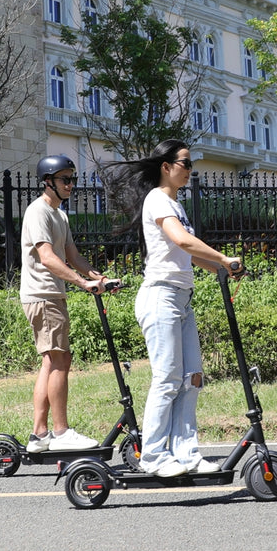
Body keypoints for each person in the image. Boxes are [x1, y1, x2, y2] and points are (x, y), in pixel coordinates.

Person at [101, 140, 242, 477]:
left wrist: (220, 269)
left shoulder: (176, 205)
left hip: (181, 297)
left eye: (191, 165)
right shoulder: (157, 200)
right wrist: (222, 256)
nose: (190, 170)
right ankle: (152, 456)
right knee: (167, 379)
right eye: (185, 164)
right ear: (166, 166)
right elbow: (180, 239)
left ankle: (186, 453)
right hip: (160, 297)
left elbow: (186, 254)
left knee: (192, 377)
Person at [20, 154, 116, 452]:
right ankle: (60, 433)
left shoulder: (59, 215)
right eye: (65, 179)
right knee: (61, 360)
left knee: (52, 361)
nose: (71, 184)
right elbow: (48, 257)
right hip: (43, 295)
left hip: (51, 295)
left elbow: (72, 255)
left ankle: (39, 435)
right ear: (48, 182)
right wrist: (82, 283)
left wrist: (96, 276)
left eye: (72, 179)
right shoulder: (38, 212)